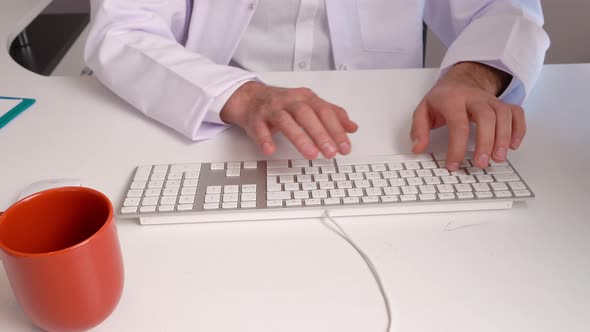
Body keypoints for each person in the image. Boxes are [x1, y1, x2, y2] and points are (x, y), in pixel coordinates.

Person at [85, 0, 549, 171]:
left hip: (388, 141)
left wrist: (471, 76)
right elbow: (123, 28)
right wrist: (242, 95)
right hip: (213, 128)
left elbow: (505, 9)